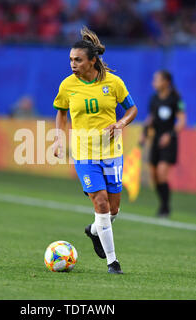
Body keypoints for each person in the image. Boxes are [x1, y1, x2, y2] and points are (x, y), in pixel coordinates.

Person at [52, 26, 138, 274]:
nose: (72, 64)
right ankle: (113, 262)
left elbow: (132, 109)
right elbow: (61, 112)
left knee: (113, 210)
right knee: (100, 204)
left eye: (77, 60)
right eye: (70, 59)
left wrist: (121, 123)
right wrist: (59, 139)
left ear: (92, 61)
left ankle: (93, 230)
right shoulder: (67, 85)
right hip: (84, 154)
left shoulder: (113, 83)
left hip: (112, 153)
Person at [139, 70, 186, 218]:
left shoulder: (175, 99)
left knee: (161, 173)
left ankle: (165, 208)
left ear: (166, 82)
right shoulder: (154, 99)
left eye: (157, 80)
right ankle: (163, 205)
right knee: (154, 176)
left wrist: (170, 135)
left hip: (169, 142)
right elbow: (151, 118)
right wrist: (144, 134)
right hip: (156, 140)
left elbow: (182, 121)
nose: (154, 82)